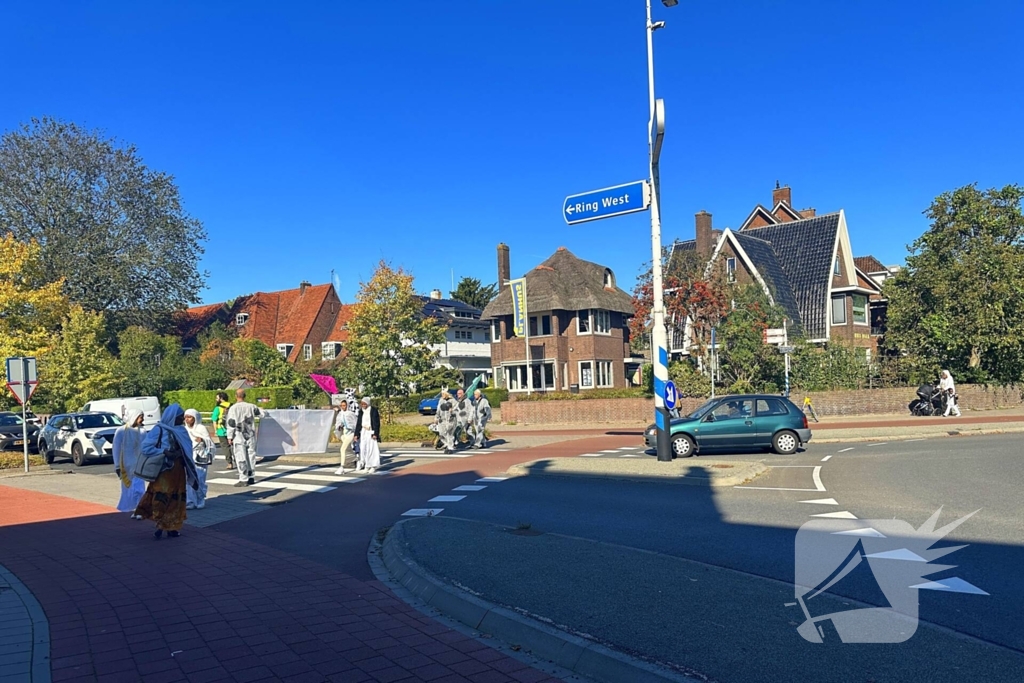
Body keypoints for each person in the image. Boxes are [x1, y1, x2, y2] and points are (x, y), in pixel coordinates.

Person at [134, 404, 199, 539]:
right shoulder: (158, 430)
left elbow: (187, 448)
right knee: (161, 498)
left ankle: (172, 527)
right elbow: (146, 447)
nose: (182, 420)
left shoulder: (181, 430)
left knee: (177, 499)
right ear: (172, 417)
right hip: (164, 471)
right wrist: (164, 452)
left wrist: (180, 454)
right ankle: (160, 523)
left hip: (178, 470)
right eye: (180, 417)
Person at [113, 408, 147, 518]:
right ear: (135, 417)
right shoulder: (121, 431)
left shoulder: (142, 431)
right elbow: (116, 448)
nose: (142, 419)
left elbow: (146, 447)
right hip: (125, 465)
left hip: (139, 465)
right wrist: (117, 465)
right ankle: (132, 508)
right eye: (140, 417)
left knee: (139, 488)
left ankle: (140, 510)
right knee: (128, 488)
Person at [226, 389, 261, 487]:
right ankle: (251, 476)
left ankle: (243, 478)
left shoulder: (233, 408)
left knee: (240, 456)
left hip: (239, 435)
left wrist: (229, 436)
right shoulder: (251, 406)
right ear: (244, 395)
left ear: (235, 396)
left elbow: (231, 423)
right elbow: (262, 413)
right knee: (251, 455)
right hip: (251, 434)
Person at [184, 409, 214, 510]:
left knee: (200, 479)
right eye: (186, 417)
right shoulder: (184, 429)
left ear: (195, 418)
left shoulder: (201, 428)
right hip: (188, 458)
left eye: (190, 417)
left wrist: (202, 440)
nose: (187, 419)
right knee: (188, 480)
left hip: (200, 457)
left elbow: (209, 442)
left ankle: (200, 499)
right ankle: (190, 501)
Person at [353, 397, 381, 473]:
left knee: (371, 449)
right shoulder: (361, 411)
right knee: (363, 448)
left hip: (370, 431)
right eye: (362, 404)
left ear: (368, 403)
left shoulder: (373, 410)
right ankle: (366, 465)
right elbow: (359, 423)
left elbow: (376, 423)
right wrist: (356, 434)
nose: (363, 405)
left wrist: (376, 433)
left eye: (364, 403)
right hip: (363, 431)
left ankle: (373, 465)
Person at [333, 400, 357, 475]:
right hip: (344, 434)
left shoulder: (351, 414)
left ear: (347, 406)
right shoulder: (340, 414)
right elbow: (338, 424)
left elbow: (355, 424)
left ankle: (341, 467)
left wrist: (350, 427)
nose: (343, 407)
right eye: (341, 405)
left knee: (342, 449)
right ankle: (357, 459)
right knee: (348, 449)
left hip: (351, 433)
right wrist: (339, 427)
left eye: (344, 405)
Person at [211, 392, 233, 469]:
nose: (216, 399)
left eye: (217, 398)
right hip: (233, 429)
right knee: (236, 446)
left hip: (222, 429)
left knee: (225, 446)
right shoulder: (232, 406)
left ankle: (230, 463)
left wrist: (215, 430)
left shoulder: (217, 408)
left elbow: (214, 420)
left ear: (221, 399)